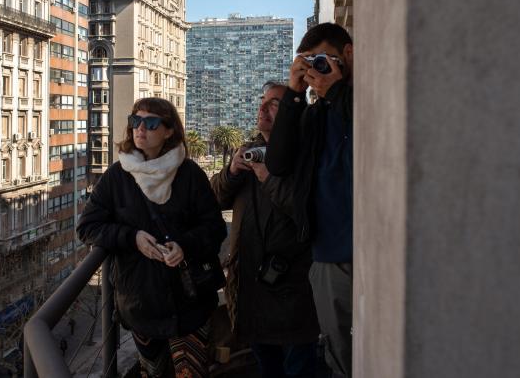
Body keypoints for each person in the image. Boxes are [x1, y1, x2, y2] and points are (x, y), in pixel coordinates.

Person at [77, 97, 227, 378]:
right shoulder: (117, 177)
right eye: (135, 121)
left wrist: (185, 245)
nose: (140, 128)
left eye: (151, 122)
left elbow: (215, 227)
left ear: (169, 131)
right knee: (152, 373)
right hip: (141, 306)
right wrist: (131, 238)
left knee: (192, 373)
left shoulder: (190, 174)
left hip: (190, 304)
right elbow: (87, 227)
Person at [211, 82, 322, 378]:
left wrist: (269, 178)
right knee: (266, 365)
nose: (263, 108)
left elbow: (307, 214)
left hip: (291, 290)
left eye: (274, 104)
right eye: (263, 101)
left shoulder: (305, 158)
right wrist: (232, 171)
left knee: (299, 366)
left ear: (291, 113)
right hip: (249, 286)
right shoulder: (247, 151)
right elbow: (214, 199)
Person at [265, 23, 354, 378]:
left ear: (348, 55)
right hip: (328, 254)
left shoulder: (362, 97)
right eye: (310, 62)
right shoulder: (316, 113)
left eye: (324, 60)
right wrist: (294, 93)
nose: (317, 70)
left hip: (370, 251)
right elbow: (279, 162)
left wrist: (334, 90)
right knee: (341, 355)